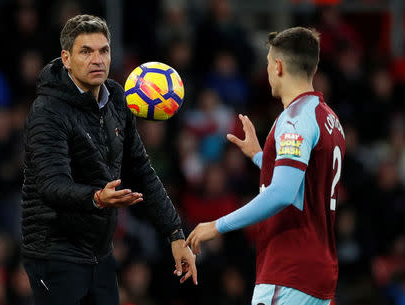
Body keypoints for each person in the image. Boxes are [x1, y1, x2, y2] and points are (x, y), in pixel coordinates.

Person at [21, 14, 197, 305]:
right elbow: (51, 185)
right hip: (55, 251)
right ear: (66, 58)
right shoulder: (47, 111)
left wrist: (175, 233)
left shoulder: (118, 97)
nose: (97, 59)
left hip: (100, 252)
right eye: (86, 52)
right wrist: (98, 198)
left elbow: (141, 169)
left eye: (103, 51)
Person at [186, 27, 346, 305]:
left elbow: (283, 193)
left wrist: (217, 226)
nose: (268, 70)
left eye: (269, 62)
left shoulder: (294, 119)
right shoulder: (329, 119)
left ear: (279, 66)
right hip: (318, 270)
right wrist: (261, 157)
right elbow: (303, 185)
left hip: (289, 270)